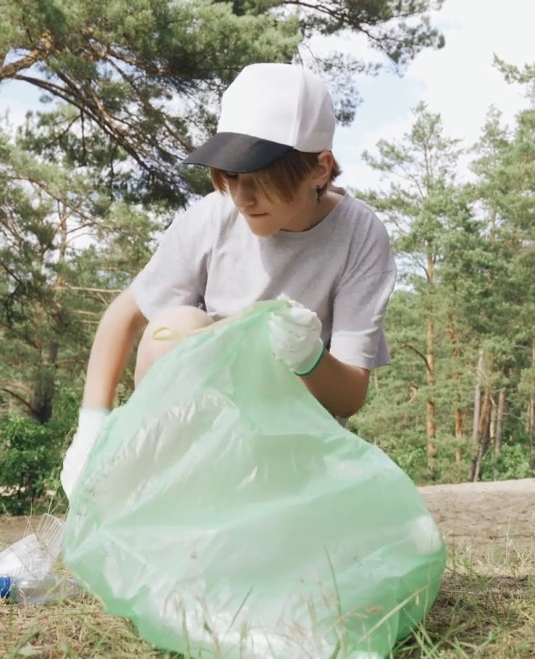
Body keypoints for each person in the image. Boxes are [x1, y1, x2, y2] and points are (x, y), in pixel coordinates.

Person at [59, 62, 397, 496]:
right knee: (173, 329)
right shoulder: (212, 217)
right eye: (232, 175)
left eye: (262, 178)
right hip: (199, 427)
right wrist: (91, 431)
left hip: (294, 436)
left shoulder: (360, 235)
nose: (242, 197)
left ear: (319, 168)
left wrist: (308, 355)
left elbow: (350, 394)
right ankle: (173, 487)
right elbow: (122, 318)